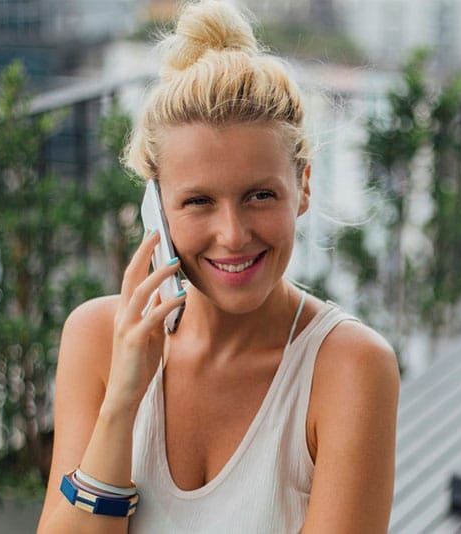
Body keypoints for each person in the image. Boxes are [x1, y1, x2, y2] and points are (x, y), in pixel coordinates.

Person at [36, 1, 399, 533]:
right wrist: (123, 401)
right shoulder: (96, 338)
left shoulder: (349, 368)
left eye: (259, 195)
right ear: (155, 208)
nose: (232, 234)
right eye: (199, 201)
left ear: (303, 188)